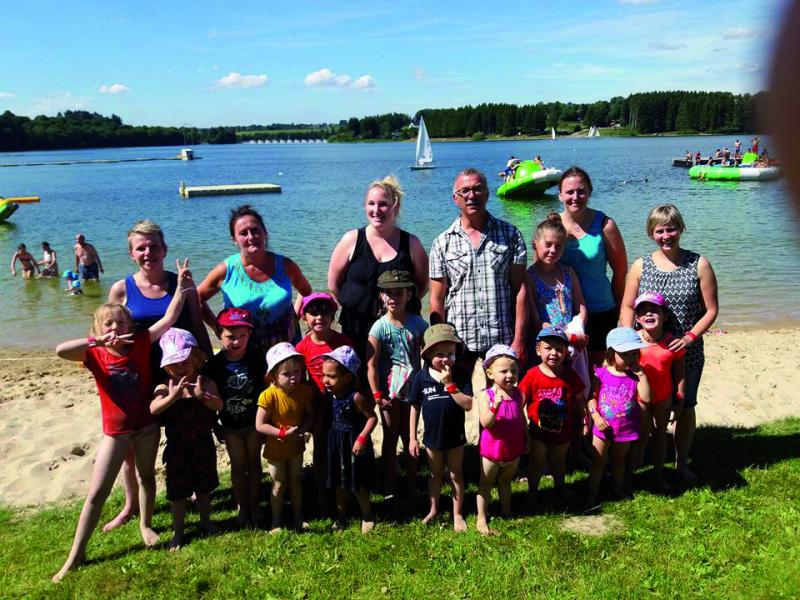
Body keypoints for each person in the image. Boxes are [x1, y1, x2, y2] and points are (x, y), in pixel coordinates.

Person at [51, 262, 191, 583]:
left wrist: (181, 288)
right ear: (97, 330)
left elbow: (168, 319)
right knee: (97, 493)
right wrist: (95, 343)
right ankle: (77, 555)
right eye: (107, 323)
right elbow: (60, 351)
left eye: (120, 321)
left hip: (146, 428)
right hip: (115, 434)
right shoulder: (94, 355)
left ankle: (145, 523)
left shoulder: (141, 343)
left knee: (146, 476)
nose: (114, 327)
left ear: (130, 324)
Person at [104, 220, 210, 532]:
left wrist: (208, 361)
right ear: (131, 253)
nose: (148, 252)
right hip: (137, 378)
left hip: (178, 372)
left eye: (154, 246)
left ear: (164, 250)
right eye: (141, 247)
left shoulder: (182, 282)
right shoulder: (121, 288)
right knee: (132, 448)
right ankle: (130, 505)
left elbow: (195, 323)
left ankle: (190, 490)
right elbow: (110, 331)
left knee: (184, 434)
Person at [620, 204, 718, 483]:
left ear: (681, 228)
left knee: (684, 405)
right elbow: (627, 306)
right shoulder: (641, 265)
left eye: (671, 229)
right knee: (645, 404)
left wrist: (688, 338)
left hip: (686, 351)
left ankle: (681, 463)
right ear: (651, 233)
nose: (666, 235)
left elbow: (710, 310)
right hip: (646, 352)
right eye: (660, 230)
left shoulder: (699, 264)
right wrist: (630, 342)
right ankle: (641, 458)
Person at [429, 167, 528, 394]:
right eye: (464, 191)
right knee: (457, 400)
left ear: (487, 193)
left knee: (500, 403)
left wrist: (519, 338)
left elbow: (520, 289)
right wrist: (440, 344)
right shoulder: (442, 242)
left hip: (500, 335)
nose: (471, 196)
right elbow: (437, 298)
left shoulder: (510, 235)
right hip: (459, 338)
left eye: (477, 189)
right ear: (455, 198)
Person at [328, 175, 429, 361]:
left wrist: (399, 310)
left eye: (383, 204)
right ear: (365, 206)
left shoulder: (411, 243)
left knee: (398, 383)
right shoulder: (351, 239)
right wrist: (356, 305)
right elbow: (334, 286)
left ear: (395, 206)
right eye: (371, 204)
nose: (376, 210)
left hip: (399, 329)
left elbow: (421, 286)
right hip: (355, 328)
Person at [199, 205, 312, 353]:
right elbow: (196, 299)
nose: (251, 237)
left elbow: (306, 291)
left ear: (265, 233)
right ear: (234, 239)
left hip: (285, 352)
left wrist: (294, 316)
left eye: (255, 230)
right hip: (243, 352)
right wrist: (218, 328)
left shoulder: (285, 265)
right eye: (243, 233)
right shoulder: (226, 270)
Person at [150, 328, 223, 550]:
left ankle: (206, 523)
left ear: (196, 358)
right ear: (167, 366)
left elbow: (219, 405)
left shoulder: (205, 381)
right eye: (176, 363)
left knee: (203, 489)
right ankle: (178, 532)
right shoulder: (165, 385)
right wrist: (172, 396)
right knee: (178, 494)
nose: (181, 367)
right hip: (177, 448)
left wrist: (203, 397)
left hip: (202, 444)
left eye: (185, 361)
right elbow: (154, 409)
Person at [367, 270, 428, 506]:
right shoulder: (379, 328)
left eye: (399, 293)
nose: (394, 297)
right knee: (391, 436)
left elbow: (428, 353)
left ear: (409, 294)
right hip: (389, 393)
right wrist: (376, 394)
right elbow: (371, 364)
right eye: (389, 293)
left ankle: (412, 481)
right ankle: (390, 483)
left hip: (413, 391)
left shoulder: (417, 323)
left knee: (410, 435)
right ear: (382, 296)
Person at [557, 166, 628, 368]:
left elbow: (621, 271)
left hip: (601, 309)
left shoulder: (605, 225)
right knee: (564, 372)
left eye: (581, 191)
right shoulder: (552, 224)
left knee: (594, 372)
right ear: (560, 195)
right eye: (569, 192)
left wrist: (621, 312)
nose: (575, 197)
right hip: (563, 312)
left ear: (590, 192)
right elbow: (540, 270)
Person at [205, 307, 267, 526]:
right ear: (219, 334)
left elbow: (266, 389)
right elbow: (209, 401)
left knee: (254, 463)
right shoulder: (214, 365)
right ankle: (242, 506)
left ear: (250, 335)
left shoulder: (257, 357)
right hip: (230, 425)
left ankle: (255, 504)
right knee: (238, 466)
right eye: (231, 336)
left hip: (254, 423)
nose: (237, 342)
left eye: (243, 336)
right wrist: (215, 426)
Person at [408, 324, 472, 531]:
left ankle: (458, 513)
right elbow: (414, 408)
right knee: (434, 474)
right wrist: (412, 438)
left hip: (455, 436)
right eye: (439, 354)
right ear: (427, 355)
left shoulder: (460, 374)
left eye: (450, 354)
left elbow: (468, 404)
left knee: (456, 473)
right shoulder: (420, 377)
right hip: (432, 438)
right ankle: (434, 509)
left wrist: (450, 385)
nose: (445, 359)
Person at [296, 292, 353, 514]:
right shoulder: (302, 347)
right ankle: (322, 491)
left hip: (342, 404)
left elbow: (353, 373)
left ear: (333, 315)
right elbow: (299, 380)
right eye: (313, 313)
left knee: (342, 448)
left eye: (325, 312)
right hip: (318, 406)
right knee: (320, 449)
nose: (319, 318)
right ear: (304, 318)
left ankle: (346, 490)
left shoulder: (343, 341)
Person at [519, 328, 586, 508]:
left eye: (559, 349)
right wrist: (518, 423)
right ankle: (533, 491)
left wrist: (585, 419)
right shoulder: (532, 375)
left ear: (566, 352)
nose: (554, 353)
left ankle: (560, 487)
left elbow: (579, 398)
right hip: (537, 432)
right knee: (537, 462)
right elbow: (521, 400)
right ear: (538, 349)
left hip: (564, 431)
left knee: (559, 461)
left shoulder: (569, 375)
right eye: (548, 348)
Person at [585, 327, 651, 507]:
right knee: (598, 461)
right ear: (611, 354)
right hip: (602, 427)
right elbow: (591, 398)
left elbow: (646, 398)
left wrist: (643, 376)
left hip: (626, 428)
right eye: (625, 354)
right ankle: (592, 492)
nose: (631, 358)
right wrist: (596, 417)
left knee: (618, 461)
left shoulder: (636, 376)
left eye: (633, 353)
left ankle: (617, 488)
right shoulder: (601, 374)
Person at [255, 342, 314, 532]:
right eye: (286, 374)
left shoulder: (304, 392)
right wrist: (281, 433)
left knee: (296, 480)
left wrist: (303, 430)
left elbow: (311, 414)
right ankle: (276, 521)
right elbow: (260, 424)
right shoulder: (268, 395)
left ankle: (298, 516)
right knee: (279, 484)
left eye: (297, 372)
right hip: (276, 446)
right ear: (273, 375)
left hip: (295, 444)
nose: (293, 378)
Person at [631, 292, 685, 492]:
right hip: (640, 398)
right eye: (643, 312)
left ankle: (658, 474)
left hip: (663, 397)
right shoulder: (633, 341)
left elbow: (680, 373)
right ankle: (633, 469)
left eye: (654, 310)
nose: (648, 314)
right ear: (637, 319)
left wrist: (679, 399)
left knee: (660, 434)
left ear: (665, 316)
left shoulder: (673, 343)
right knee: (641, 433)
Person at [321, 346, 377, 533]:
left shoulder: (357, 397)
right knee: (339, 482)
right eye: (324, 375)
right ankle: (341, 516)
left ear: (347, 377)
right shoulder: (330, 396)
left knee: (357, 482)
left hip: (354, 442)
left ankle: (367, 514)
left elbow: (372, 418)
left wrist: (362, 438)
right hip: (336, 443)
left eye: (331, 376)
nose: (325, 380)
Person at [475, 345, 527, 535]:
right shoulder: (485, 396)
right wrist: (495, 406)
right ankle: (481, 517)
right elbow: (486, 423)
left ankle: (507, 511)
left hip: (513, 448)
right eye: (503, 371)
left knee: (505, 482)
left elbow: (521, 417)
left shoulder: (517, 394)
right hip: (492, 450)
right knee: (486, 483)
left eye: (514, 371)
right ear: (490, 373)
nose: (509, 375)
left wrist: (526, 436)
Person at [526, 213, 588, 369]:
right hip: (546, 345)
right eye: (548, 244)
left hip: (570, 344)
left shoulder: (568, 272)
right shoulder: (529, 277)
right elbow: (535, 320)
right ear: (535, 244)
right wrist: (565, 336)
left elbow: (581, 307)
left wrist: (578, 327)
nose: (553, 250)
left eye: (558, 246)